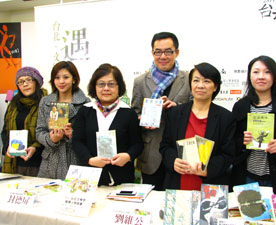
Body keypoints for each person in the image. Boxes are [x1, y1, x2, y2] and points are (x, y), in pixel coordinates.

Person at [230, 55, 276, 194]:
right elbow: (229, 142)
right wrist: (242, 142)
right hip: (247, 177)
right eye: (256, 72)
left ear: (274, 76)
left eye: (267, 72)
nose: (261, 76)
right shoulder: (240, 107)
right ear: (250, 76)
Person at [159, 62, 235, 190]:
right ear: (191, 85)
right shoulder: (175, 113)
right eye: (196, 80)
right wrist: (173, 161)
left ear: (215, 87)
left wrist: (208, 169)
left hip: (210, 186)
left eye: (206, 81)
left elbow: (228, 155)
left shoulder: (226, 118)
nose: (200, 85)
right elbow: (165, 146)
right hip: (178, 184)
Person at [131, 31, 191, 190]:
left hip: (180, 153)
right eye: (158, 52)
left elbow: (196, 109)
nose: (162, 56)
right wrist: (142, 121)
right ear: (152, 53)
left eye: (168, 51)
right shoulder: (140, 82)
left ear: (176, 53)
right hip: (151, 152)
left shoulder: (189, 79)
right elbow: (134, 113)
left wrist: (177, 106)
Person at [72, 63, 143, 186]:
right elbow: (77, 141)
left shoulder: (128, 112)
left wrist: (128, 156)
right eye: (101, 84)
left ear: (119, 87)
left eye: (111, 84)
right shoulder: (86, 110)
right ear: (94, 87)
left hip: (122, 176)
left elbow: (137, 144)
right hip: (90, 177)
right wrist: (90, 159)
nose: (106, 88)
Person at [36, 61, 90, 179]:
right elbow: (39, 131)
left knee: (74, 195)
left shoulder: (86, 103)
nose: (61, 81)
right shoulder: (45, 102)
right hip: (50, 161)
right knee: (45, 194)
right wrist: (51, 139)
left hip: (76, 160)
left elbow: (90, 135)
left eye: (66, 77)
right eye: (57, 77)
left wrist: (73, 135)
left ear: (74, 79)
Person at [1, 67, 47, 176]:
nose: (25, 84)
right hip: (14, 163)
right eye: (20, 82)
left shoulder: (46, 102)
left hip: (39, 163)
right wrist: (8, 147)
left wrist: (35, 148)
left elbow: (48, 132)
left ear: (37, 82)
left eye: (29, 80)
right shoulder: (13, 104)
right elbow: (5, 131)